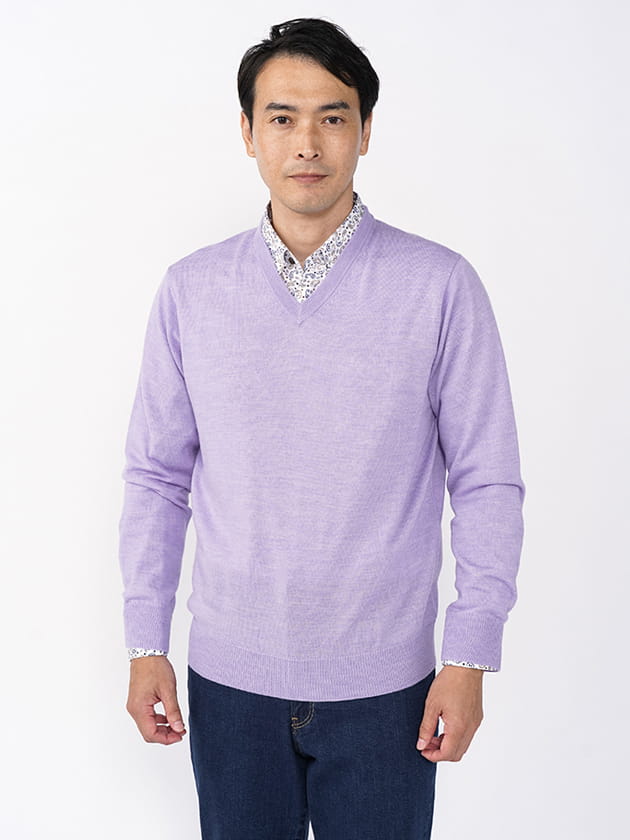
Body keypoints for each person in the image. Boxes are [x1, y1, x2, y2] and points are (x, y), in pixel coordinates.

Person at [118, 17, 525, 840]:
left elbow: (487, 478)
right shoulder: (192, 291)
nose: (307, 142)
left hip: (389, 688)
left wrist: (469, 655)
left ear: (365, 131)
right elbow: (157, 478)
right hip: (229, 681)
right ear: (248, 132)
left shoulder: (439, 287)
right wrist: (143, 640)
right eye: (282, 117)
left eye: (332, 117)